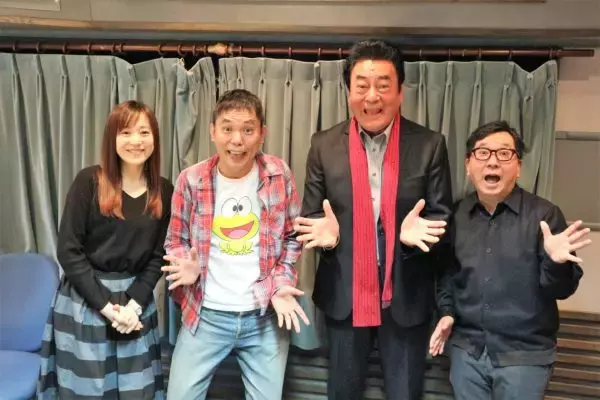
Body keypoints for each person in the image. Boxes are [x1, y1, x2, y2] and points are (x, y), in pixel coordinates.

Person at [294, 39, 453, 400]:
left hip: (406, 293)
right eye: (362, 85)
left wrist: (414, 241)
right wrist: (329, 240)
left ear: (400, 92)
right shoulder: (323, 145)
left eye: (383, 85)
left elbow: (442, 219)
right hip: (345, 294)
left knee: (405, 394)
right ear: (348, 91)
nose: (372, 96)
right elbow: (312, 216)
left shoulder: (429, 145)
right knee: (342, 393)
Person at [162, 89, 310, 400]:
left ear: (262, 134)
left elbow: (292, 236)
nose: (237, 140)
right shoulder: (191, 180)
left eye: (247, 130)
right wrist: (184, 265)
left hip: (263, 316)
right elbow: (175, 241)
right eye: (227, 128)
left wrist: (280, 284)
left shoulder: (278, 174)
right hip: (205, 314)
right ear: (213, 131)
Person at [429, 120, 591, 400]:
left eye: (504, 153)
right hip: (467, 352)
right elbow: (447, 276)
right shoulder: (455, 215)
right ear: (468, 165)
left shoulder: (545, 216)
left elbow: (562, 289)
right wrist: (446, 312)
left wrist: (556, 262)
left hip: (524, 357)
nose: (493, 162)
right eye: (483, 153)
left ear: (518, 167)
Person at [38, 100, 173, 399]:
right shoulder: (89, 181)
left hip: (135, 303)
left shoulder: (164, 190)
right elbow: (69, 251)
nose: (136, 141)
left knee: (138, 390)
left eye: (144, 132)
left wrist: (133, 306)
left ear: (155, 138)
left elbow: (158, 256)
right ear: (112, 138)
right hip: (86, 302)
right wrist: (107, 308)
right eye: (125, 132)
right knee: (86, 390)